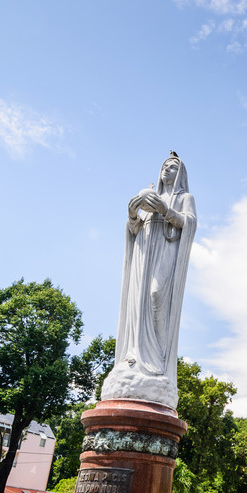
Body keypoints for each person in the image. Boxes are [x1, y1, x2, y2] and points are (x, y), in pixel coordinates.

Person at [101, 152, 197, 408]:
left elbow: (189, 223)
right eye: (165, 166)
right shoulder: (150, 196)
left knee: (157, 295)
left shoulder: (184, 198)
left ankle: (157, 361)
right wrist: (133, 214)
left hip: (165, 251)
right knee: (139, 302)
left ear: (180, 174)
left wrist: (166, 210)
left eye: (173, 167)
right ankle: (133, 355)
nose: (167, 170)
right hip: (144, 255)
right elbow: (134, 229)